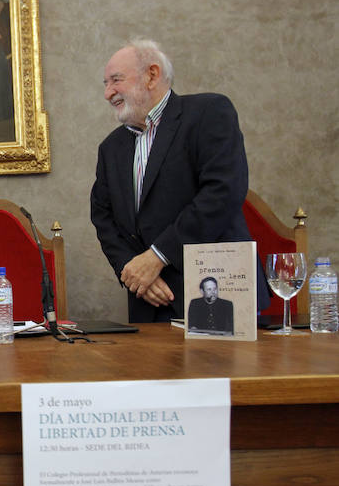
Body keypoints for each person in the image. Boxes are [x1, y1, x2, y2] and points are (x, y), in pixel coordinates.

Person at [89, 39, 270, 323]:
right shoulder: (110, 148)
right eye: (105, 83)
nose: (107, 92)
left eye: (116, 80)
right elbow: (103, 217)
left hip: (219, 294)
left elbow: (222, 192)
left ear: (152, 75)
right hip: (149, 302)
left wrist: (157, 257)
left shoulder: (208, 112)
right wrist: (135, 273)